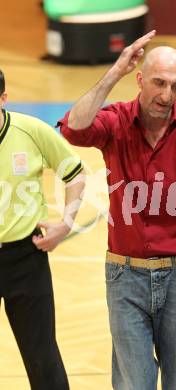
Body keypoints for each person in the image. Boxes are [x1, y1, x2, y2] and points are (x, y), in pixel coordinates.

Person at [59, 30, 176, 390]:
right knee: (133, 384)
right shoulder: (115, 123)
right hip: (124, 277)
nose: (166, 95)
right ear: (140, 79)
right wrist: (114, 72)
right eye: (159, 83)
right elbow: (73, 129)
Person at [0, 69, 85, 390]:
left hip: (26, 258)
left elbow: (75, 174)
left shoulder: (31, 131)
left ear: (3, 99)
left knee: (42, 357)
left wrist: (65, 224)